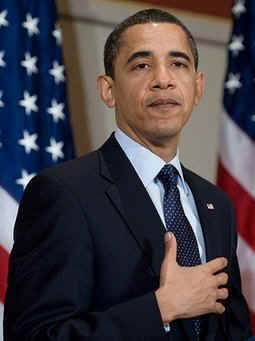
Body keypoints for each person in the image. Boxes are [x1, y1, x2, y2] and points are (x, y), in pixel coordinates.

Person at [4, 8, 252, 341]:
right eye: (141, 65)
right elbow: (32, 336)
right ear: (108, 89)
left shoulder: (216, 203)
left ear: (197, 87)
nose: (163, 79)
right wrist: (160, 309)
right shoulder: (63, 193)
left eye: (178, 64)